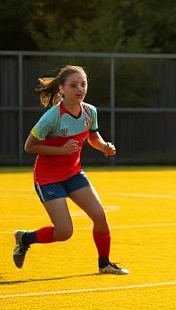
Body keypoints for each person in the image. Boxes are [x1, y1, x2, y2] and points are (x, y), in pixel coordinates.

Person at [12, 64, 128, 275]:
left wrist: (103, 146)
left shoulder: (90, 111)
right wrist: (62, 150)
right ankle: (25, 238)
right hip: (48, 178)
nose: (80, 89)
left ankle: (104, 264)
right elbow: (29, 146)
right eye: (74, 85)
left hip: (73, 173)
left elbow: (93, 136)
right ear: (62, 89)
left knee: (100, 217)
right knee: (64, 232)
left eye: (83, 84)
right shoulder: (52, 117)